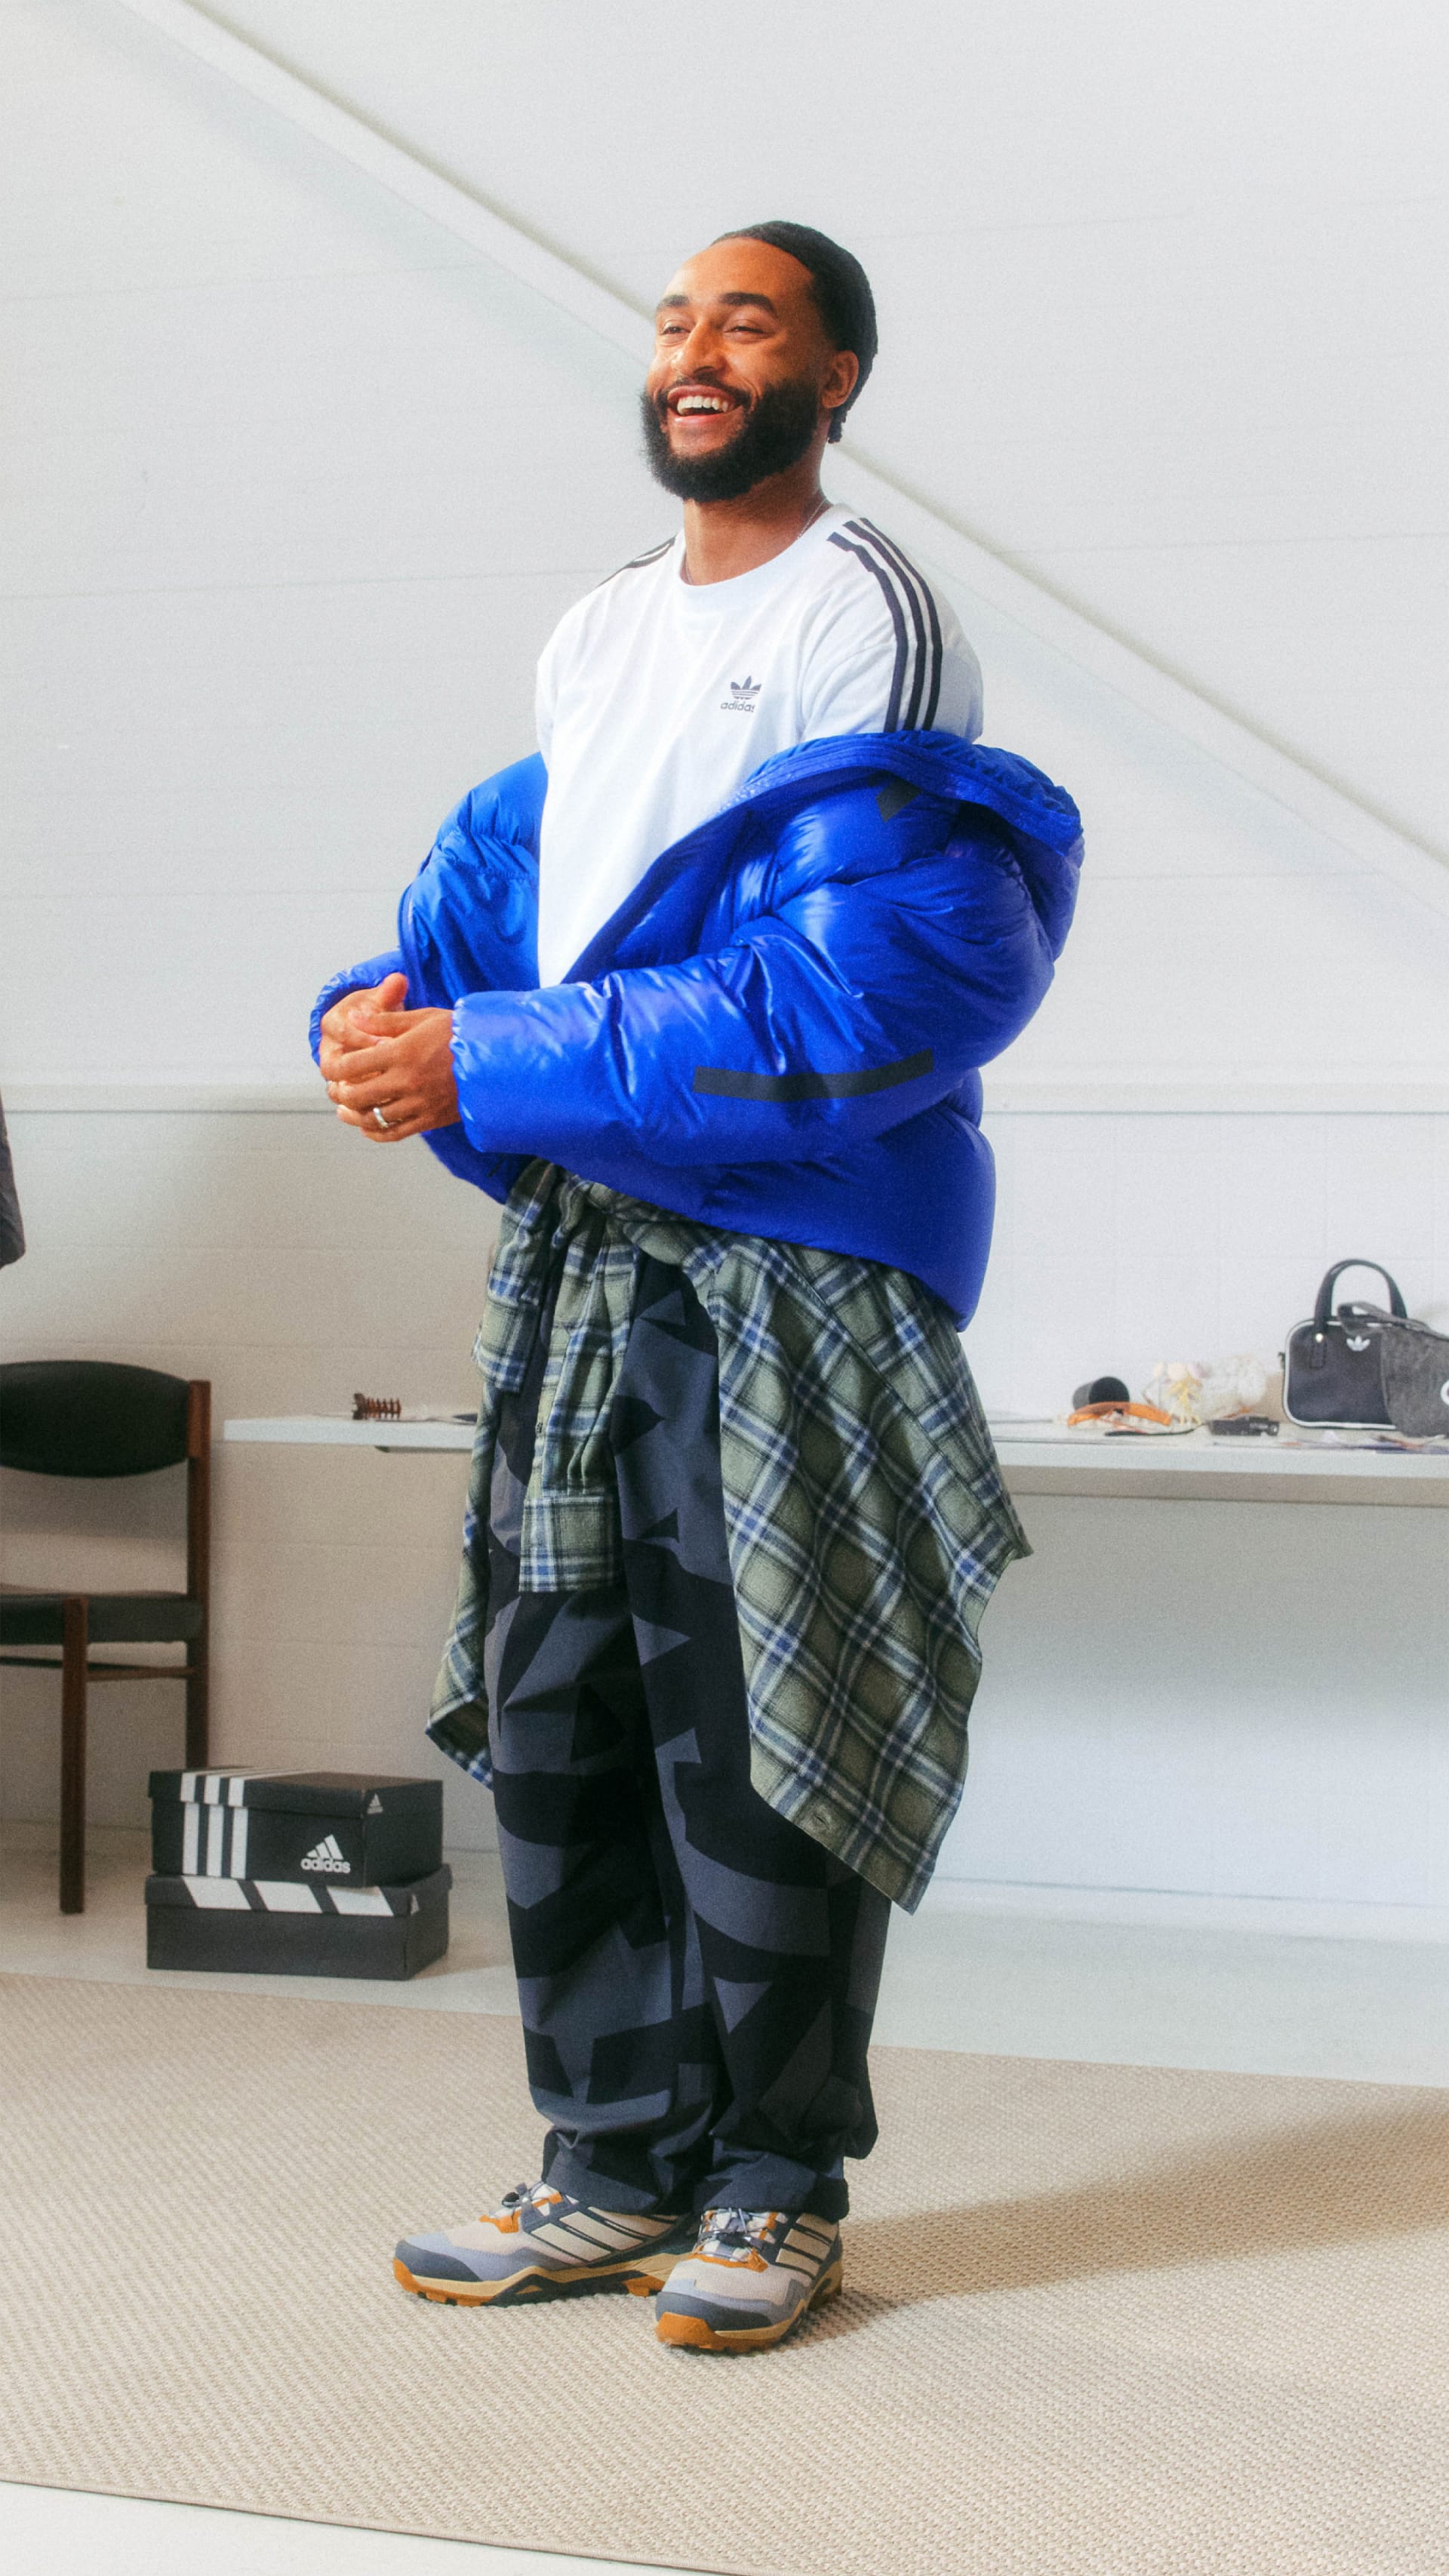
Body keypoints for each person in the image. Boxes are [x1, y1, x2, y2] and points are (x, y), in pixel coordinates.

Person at [313, 221, 1081, 2354]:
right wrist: (386, 1028)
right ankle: (608, 2167)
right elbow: (510, 926)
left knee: (766, 1735)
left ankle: (772, 2189)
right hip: (587, 1271)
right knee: (569, 1715)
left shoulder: (871, 616)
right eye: (671, 322)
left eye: (744, 321)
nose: (694, 353)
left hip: (791, 1280)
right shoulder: (598, 635)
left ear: (836, 375)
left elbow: (854, 996)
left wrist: (508, 1056)